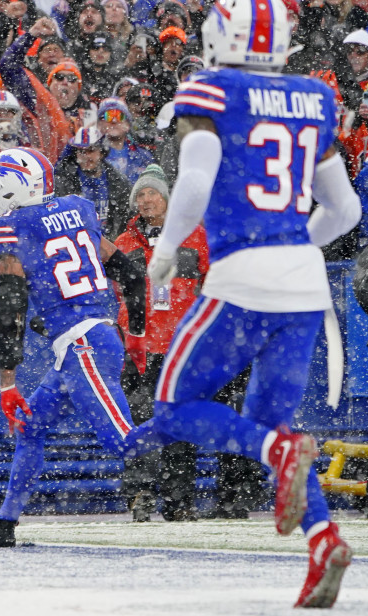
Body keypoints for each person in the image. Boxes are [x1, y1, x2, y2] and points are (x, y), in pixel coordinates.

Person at [141, 0, 361, 607]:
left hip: (242, 274)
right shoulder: (313, 97)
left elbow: (196, 179)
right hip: (303, 283)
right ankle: (323, 541)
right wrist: (295, 244)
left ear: (220, 35)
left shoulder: (212, 91)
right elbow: (344, 209)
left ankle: (283, 455)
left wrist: (164, 248)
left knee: (175, 406)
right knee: (274, 425)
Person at [0, 146, 148, 548]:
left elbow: (9, 311)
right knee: (31, 427)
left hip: (83, 346)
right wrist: (134, 338)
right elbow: (130, 274)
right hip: (89, 340)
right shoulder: (77, 208)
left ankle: (224, 429)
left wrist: (7, 382)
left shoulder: (11, 228)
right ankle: (5, 524)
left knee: (124, 443)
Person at [114, 165, 207, 523]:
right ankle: (139, 496)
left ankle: (179, 498)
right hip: (139, 350)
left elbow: (212, 284)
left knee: (181, 426)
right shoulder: (122, 244)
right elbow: (115, 294)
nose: (146, 199)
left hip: (180, 348)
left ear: (167, 198)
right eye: (140, 194)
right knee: (140, 425)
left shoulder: (195, 237)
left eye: (152, 193)